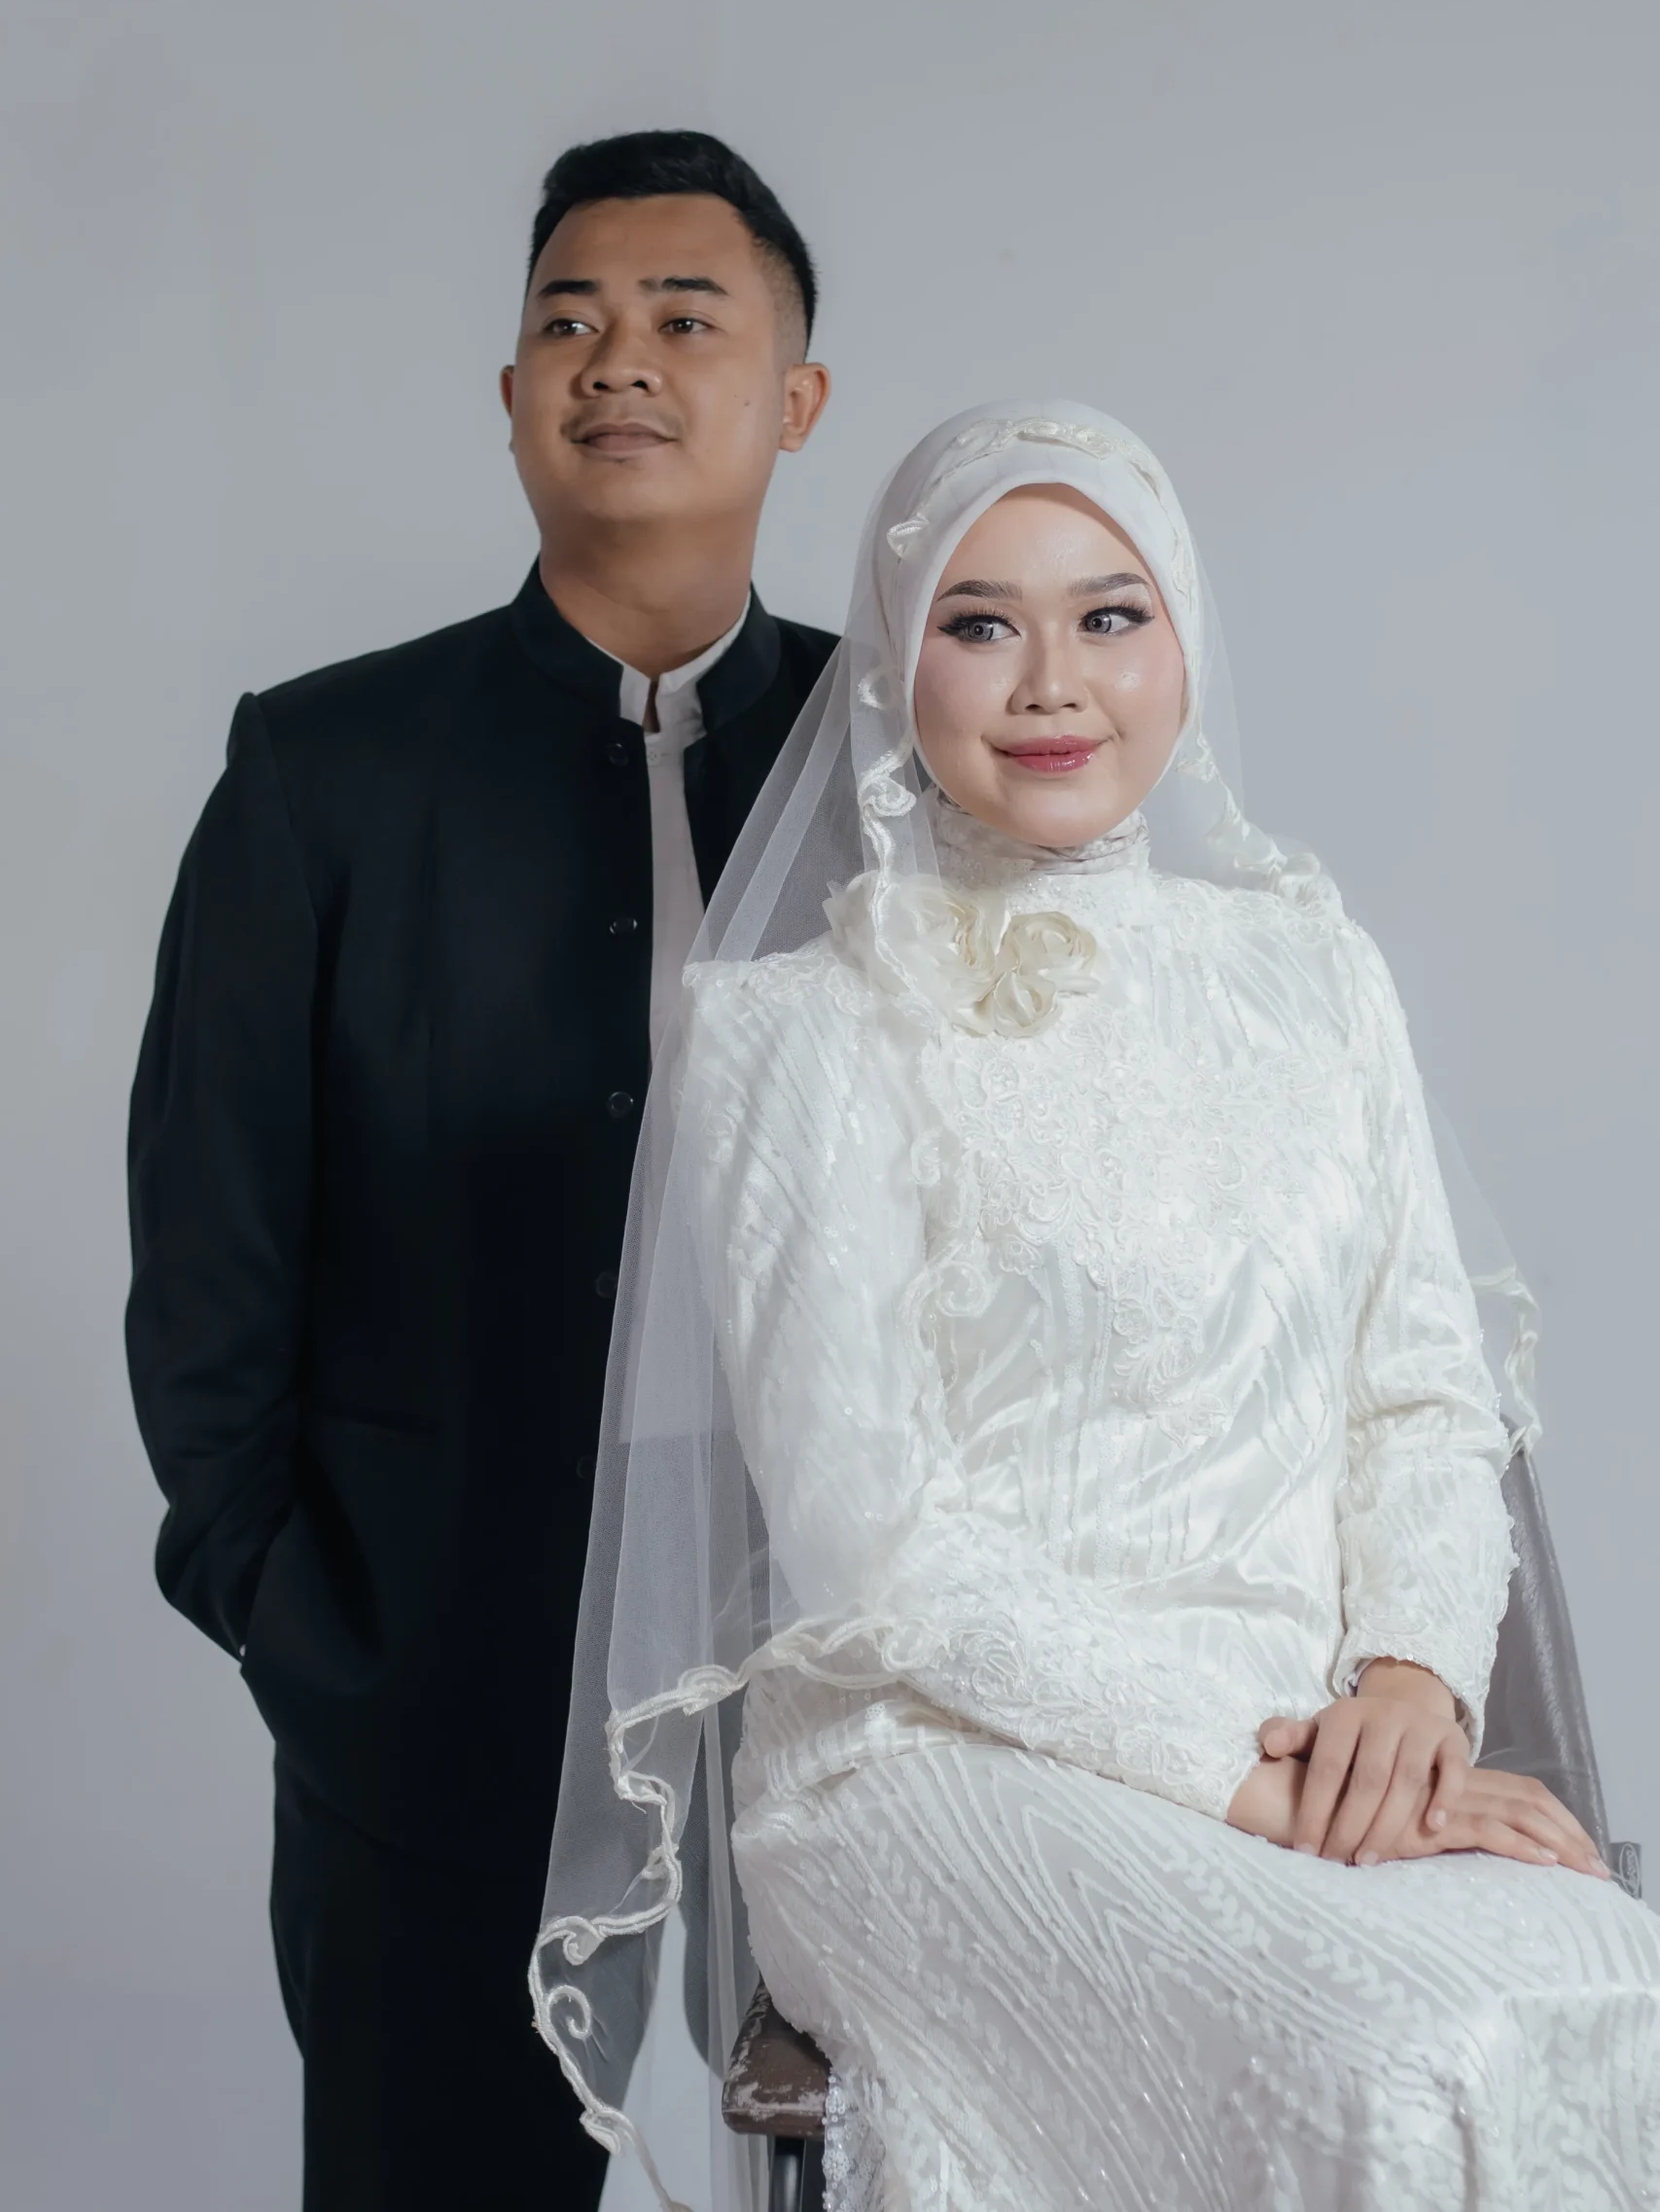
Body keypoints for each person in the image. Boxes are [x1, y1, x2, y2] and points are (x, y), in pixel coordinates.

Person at [534, 404, 1660, 2211]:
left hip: (1311, 1724)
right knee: (1391, 2058)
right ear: (894, 662)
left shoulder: (1314, 972)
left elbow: (1422, 1398)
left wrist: (1410, 1680)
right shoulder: (794, 1031)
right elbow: (871, 1540)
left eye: (1110, 615)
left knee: (1613, 2000)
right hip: (931, 1757)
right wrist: (1249, 1783)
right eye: (979, 622)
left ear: (1184, 639)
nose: (1051, 681)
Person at [125, 128, 833, 2212]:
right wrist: (293, 1611)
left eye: (685, 317)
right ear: (513, 390)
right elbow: (209, 1254)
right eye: (569, 320)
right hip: (433, 1686)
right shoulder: (324, 769)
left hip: (842, 1670)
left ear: (794, 397)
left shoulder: (898, 754)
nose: (619, 358)